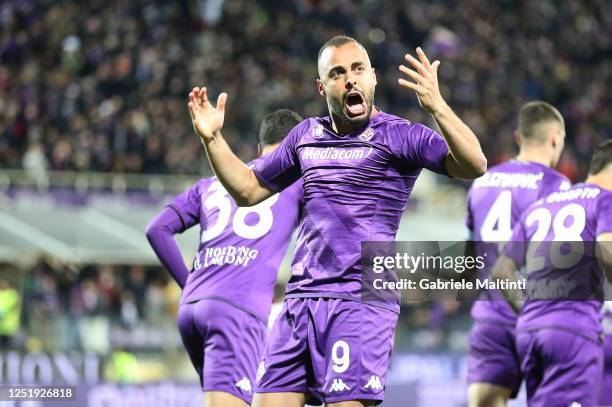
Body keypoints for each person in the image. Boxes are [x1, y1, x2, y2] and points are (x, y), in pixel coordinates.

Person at [188, 35, 486, 406]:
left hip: (360, 303)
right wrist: (213, 138)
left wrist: (437, 106)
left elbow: (474, 165)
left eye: (358, 69)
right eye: (338, 73)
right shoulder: (305, 136)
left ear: (374, 77)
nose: (350, 80)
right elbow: (248, 191)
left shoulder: (400, 135)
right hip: (300, 302)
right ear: (322, 86)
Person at [145, 109, 304, 407]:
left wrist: (190, 285)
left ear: (259, 149)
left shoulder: (213, 183)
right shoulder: (296, 182)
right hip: (237, 311)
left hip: (191, 310)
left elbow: (157, 229)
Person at [465, 101, 570, 407]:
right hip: (540, 318)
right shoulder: (558, 187)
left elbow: (470, 258)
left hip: (490, 317)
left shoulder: (481, 182)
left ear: (518, 137)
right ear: (555, 137)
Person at [493, 140, 612, 406]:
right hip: (573, 334)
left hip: (529, 333)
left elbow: (501, 272)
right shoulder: (605, 201)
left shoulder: (540, 206)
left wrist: (530, 312)